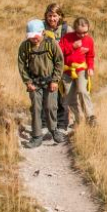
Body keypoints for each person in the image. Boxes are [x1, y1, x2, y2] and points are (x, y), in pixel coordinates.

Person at [17, 19, 66, 148]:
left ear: (43, 32)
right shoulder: (25, 46)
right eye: (31, 37)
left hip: (50, 82)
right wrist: (27, 82)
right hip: (34, 83)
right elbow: (21, 64)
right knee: (36, 108)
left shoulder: (51, 44)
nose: (34, 39)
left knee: (50, 107)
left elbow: (59, 62)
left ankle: (54, 130)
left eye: (36, 36)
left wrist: (55, 80)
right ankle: (37, 136)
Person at [59, 17, 97, 129]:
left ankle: (90, 116)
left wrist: (90, 67)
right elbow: (59, 52)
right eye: (79, 33)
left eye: (85, 32)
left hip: (81, 70)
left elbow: (90, 56)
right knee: (70, 97)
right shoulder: (67, 38)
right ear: (75, 29)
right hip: (67, 71)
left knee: (82, 91)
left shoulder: (89, 40)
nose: (82, 35)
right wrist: (72, 46)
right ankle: (78, 120)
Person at [41, 3, 71, 131]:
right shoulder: (41, 27)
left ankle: (62, 125)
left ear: (60, 16)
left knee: (62, 96)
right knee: (44, 94)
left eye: (55, 16)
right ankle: (43, 124)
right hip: (45, 66)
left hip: (63, 67)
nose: (52, 19)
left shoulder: (66, 29)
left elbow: (74, 47)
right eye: (49, 16)